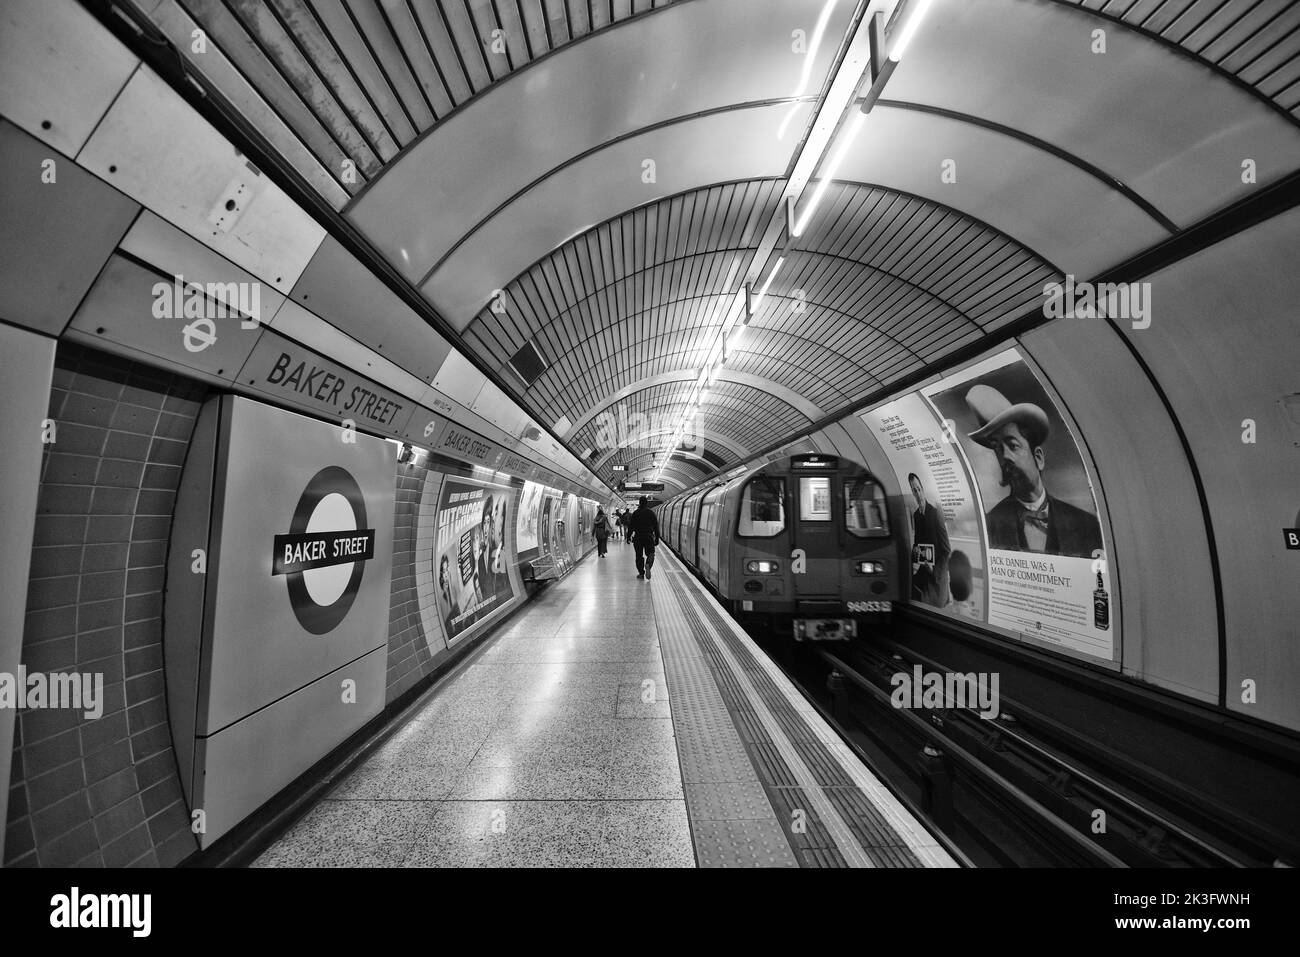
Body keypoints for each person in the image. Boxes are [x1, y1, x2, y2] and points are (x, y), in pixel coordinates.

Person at [965, 385, 1103, 559]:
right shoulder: (989, 525)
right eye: (998, 449)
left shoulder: (1086, 525)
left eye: (1013, 445)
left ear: (1038, 457)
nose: (1005, 456)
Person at [908, 472, 951, 606]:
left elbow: (947, 551)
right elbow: (917, 543)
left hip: (936, 575)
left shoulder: (935, 513)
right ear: (912, 493)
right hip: (923, 570)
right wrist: (913, 561)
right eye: (914, 490)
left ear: (923, 489)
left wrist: (934, 570)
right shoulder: (916, 515)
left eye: (919, 489)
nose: (918, 493)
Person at [629, 496, 660, 580]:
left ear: (639, 503)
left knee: (639, 556)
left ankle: (641, 574)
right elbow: (656, 526)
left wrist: (628, 537)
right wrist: (657, 537)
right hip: (649, 536)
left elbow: (631, 526)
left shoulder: (635, 513)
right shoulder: (651, 513)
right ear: (647, 503)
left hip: (638, 537)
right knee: (651, 553)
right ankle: (648, 564)